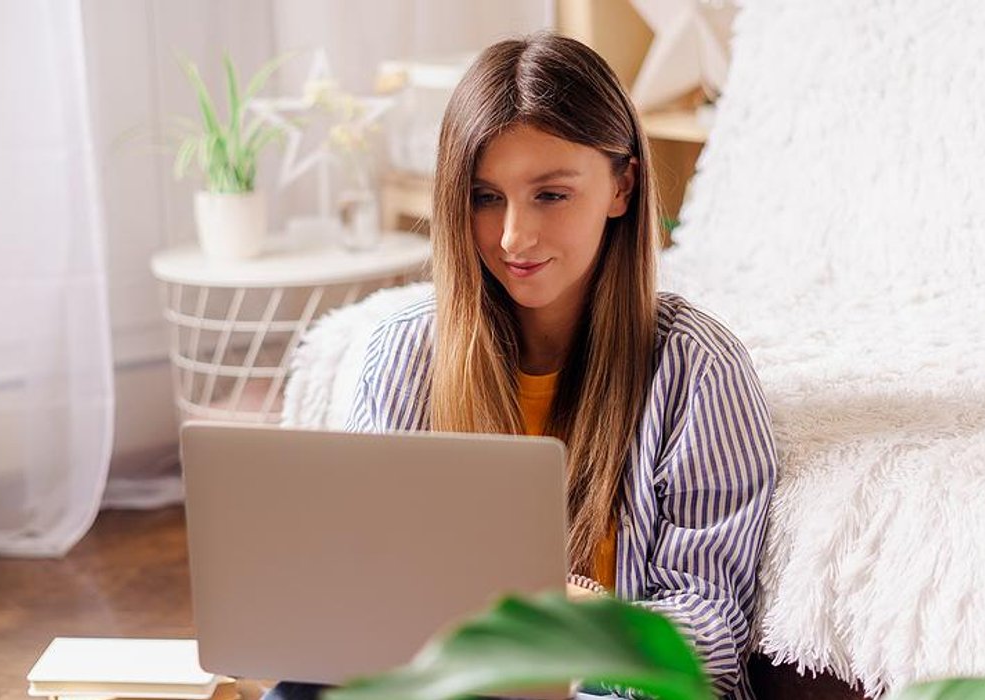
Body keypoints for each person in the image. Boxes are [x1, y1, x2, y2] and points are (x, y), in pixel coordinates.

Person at [266, 32, 777, 700]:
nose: (512, 236)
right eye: (485, 198)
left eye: (550, 195)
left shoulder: (697, 370)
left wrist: (564, 614)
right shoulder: (404, 353)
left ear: (621, 186)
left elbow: (704, 642)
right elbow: (369, 582)